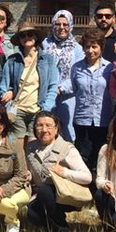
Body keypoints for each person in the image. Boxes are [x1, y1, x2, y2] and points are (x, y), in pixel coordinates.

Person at [24, 111, 92, 232]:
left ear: (56, 129)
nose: (44, 130)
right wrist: (29, 174)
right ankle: (50, 227)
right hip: (43, 195)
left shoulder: (67, 149)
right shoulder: (31, 148)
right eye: (40, 125)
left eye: (48, 126)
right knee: (32, 214)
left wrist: (65, 172)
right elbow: (33, 171)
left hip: (66, 196)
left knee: (45, 191)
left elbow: (87, 177)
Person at [0, 27, 58, 142]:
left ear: (36, 37)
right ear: (19, 40)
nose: (27, 38)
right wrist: (8, 97)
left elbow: (52, 86)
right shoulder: (12, 61)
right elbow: (4, 85)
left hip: (38, 109)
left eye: (30, 34)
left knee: (34, 144)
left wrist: (46, 108)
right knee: (18, 145)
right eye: (23, 36)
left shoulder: (47, 60)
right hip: (18, 110)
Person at [70, 31, 112, 182]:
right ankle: (84, 188)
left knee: (101, 155)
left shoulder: (109, 67)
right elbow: (75, 89)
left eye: (94, 47)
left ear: (101, 47)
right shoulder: (76, 68)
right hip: (82, 118)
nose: (90, 50)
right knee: (83, 155)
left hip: (103, 118)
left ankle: (98, 187)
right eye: (87, 47)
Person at [42, 10, 83, 142]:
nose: (61, 27)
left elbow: (78, 73)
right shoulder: (44, 44)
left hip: (68, 96)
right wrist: (50, 89)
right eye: (58, 24)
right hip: (47, 94)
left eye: (65, 24)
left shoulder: (77, 48)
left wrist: (61, 88)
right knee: (47, 127)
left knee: (67, 130)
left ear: (70, 25)